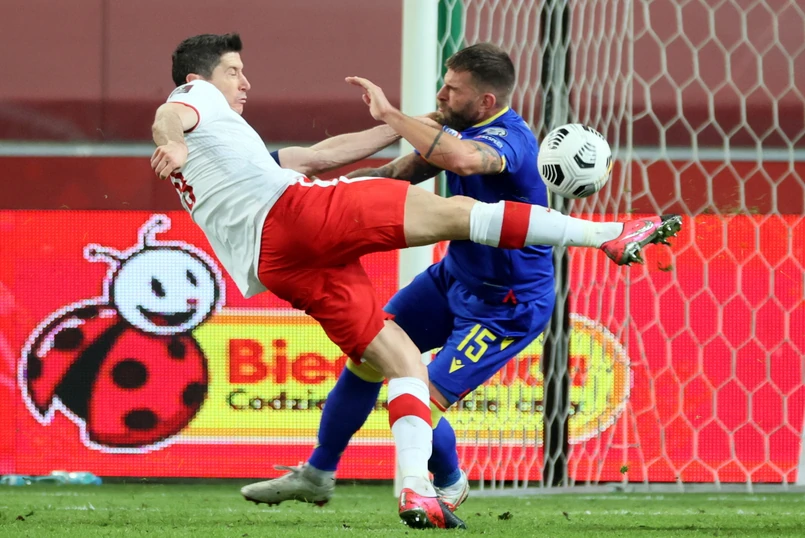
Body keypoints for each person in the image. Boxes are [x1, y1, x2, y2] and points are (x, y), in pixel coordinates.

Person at [151, 33, 681, 530]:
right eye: (234, 71)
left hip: (492, 300)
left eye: (453, 89)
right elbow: (169, 115)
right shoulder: (196, 98)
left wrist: (391, 124)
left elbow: (320, 158)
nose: (244, 82)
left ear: (486, 99)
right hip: (313, 223)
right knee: (459, 218)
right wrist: (172, 141)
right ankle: (611, 233)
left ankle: (398, 483)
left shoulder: (509, 139)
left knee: (392, 364)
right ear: (200, 78)